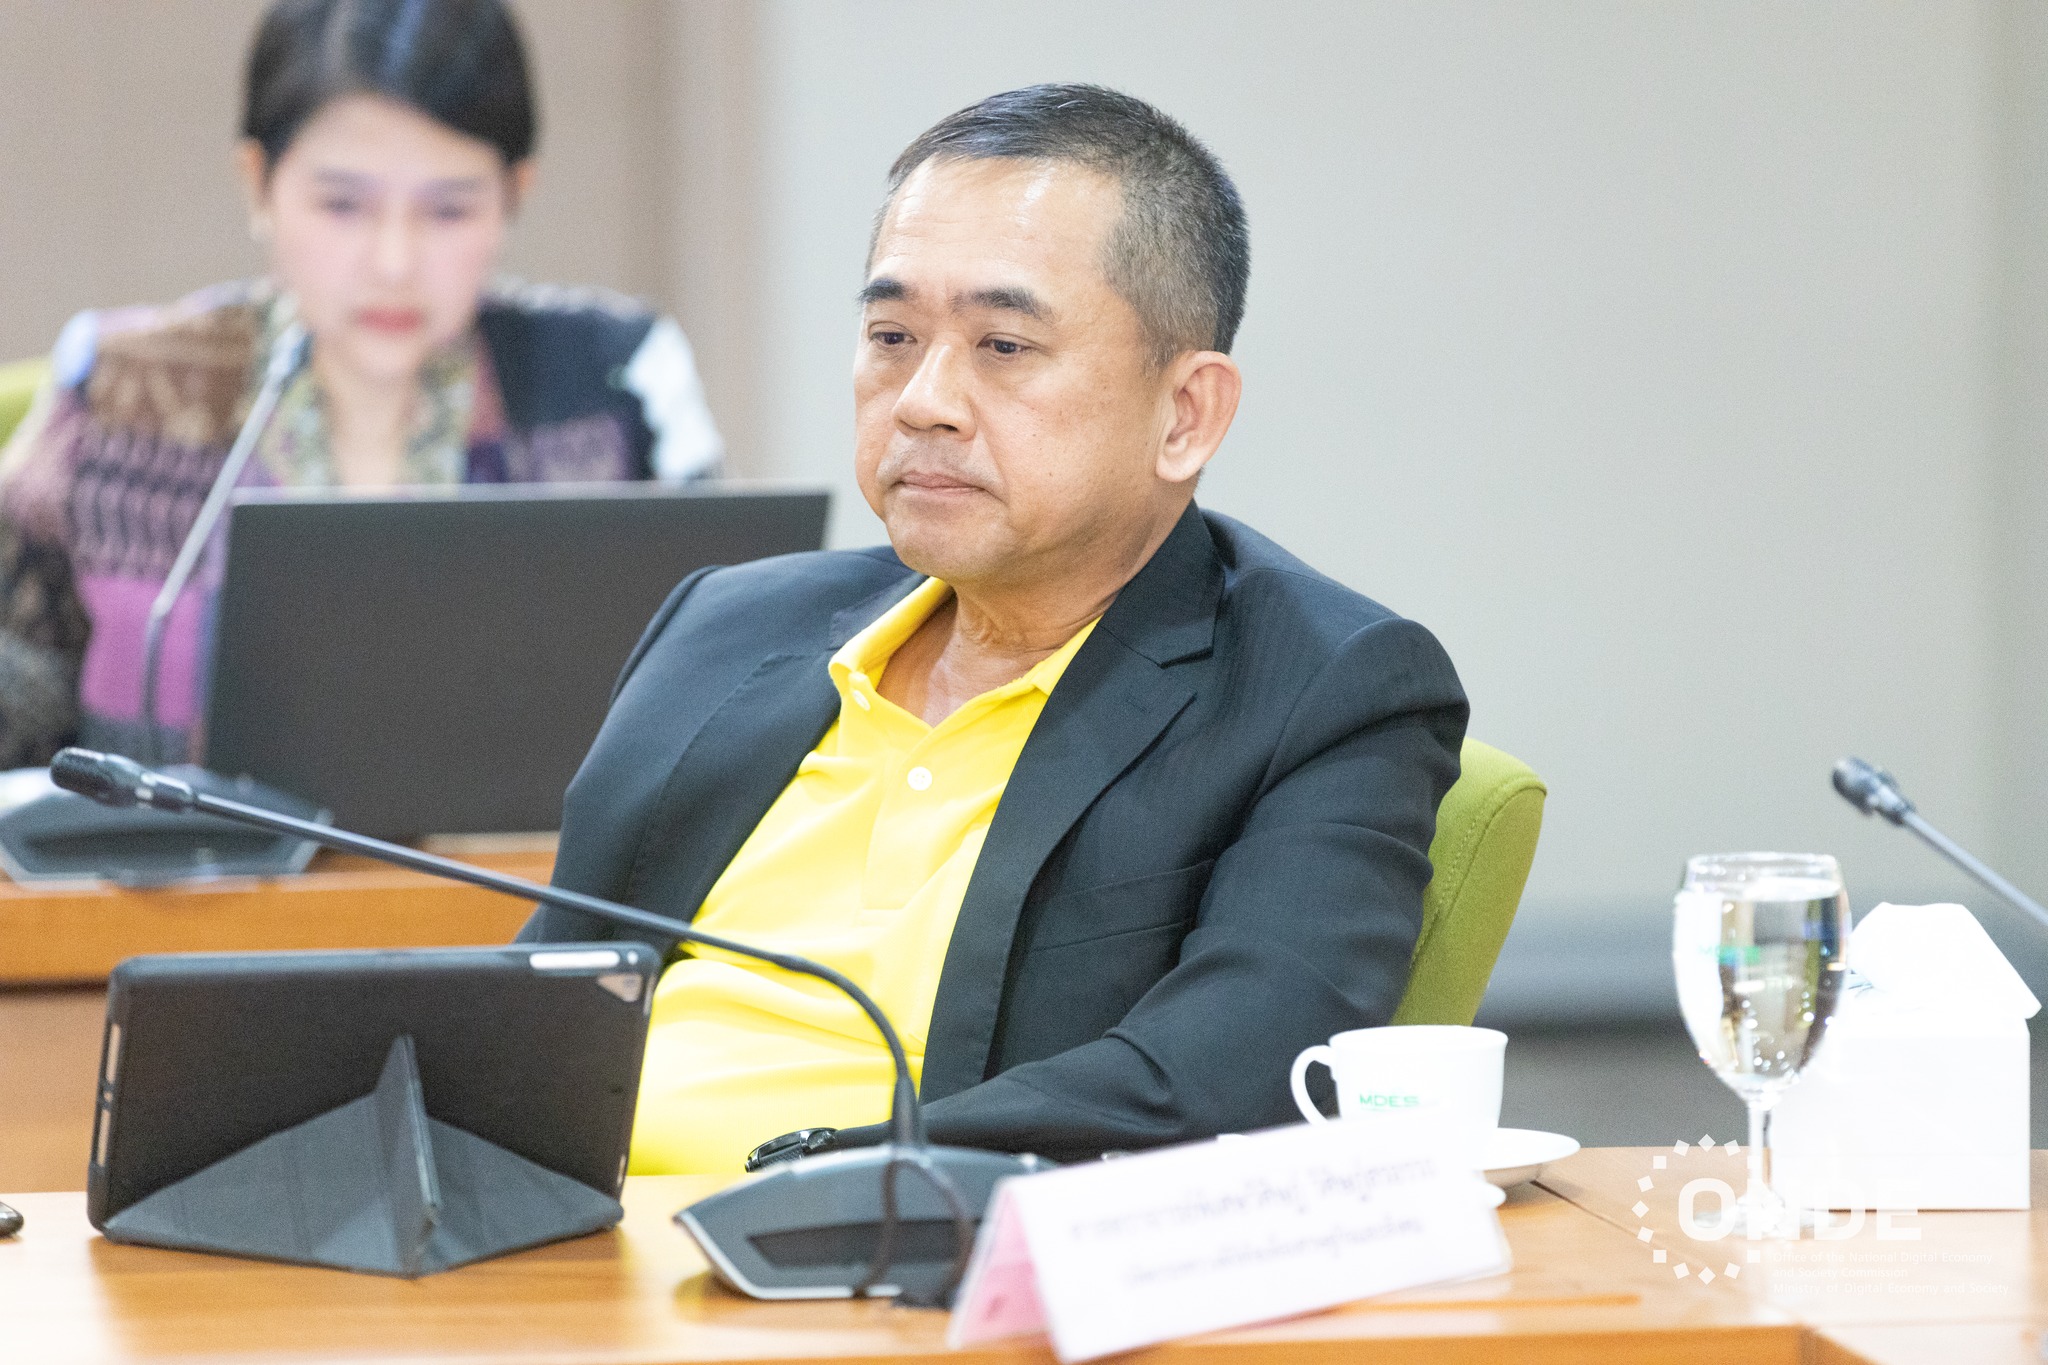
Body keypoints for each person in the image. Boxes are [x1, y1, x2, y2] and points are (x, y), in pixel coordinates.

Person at [520, 85, 1467, 1173]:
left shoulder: (1320, 690)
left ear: (1185, 414)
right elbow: (536, 988)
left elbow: (1226, 1079)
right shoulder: (726, 624)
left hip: (889, 1248)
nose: (922, 399)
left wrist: (811, 1173)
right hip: (556, 1240)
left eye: (1004, 345)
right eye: (891, 335)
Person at [0, 0, 721, 768]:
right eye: (343, 205)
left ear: (515, 192)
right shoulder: (118, 388)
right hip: (171, 852)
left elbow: (720, 698)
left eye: (448, 210)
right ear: (258, 183)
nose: (393, 262)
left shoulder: (615, 382)